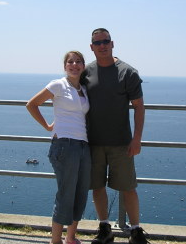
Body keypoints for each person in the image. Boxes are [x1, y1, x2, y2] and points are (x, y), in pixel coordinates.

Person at [83, 28, 148, 244]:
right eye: (97, 42)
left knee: (128, 187)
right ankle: (105, 228)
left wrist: (137, 139)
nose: (102, 45)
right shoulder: (86, 72)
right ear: (91, 47)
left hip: (121, 142)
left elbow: (139, 107)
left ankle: (136, 231)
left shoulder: (127, 72)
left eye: (106, 41)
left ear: (113, 44)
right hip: (92, 142)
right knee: (97, 187)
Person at [26, 51, 90, 244]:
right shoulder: (58, 85)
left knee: (80, 192)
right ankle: (56, 240)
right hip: (64, 145)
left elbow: (76, 114)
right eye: (70, 62)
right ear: (65, 66)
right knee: (66, 193)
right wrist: (47, 126)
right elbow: (32, 104)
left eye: (78, 61)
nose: (74, 65)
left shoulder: (84, 89)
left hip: (83, 146)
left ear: (83, 66)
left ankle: (71, 237)